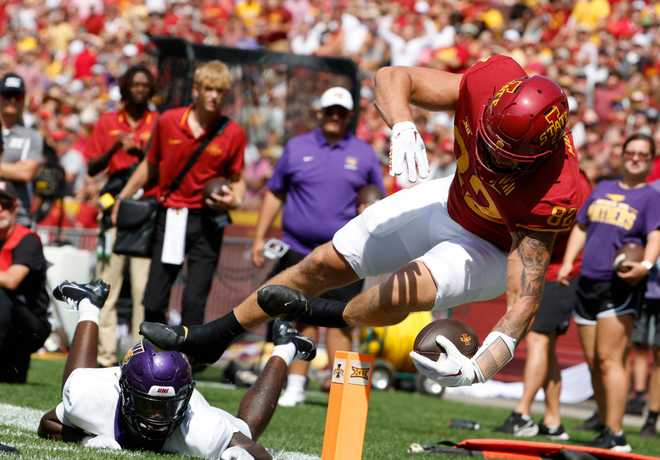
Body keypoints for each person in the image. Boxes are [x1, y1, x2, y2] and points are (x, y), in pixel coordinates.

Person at [140, 55, 590, 392]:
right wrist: (403, 125)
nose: (491, 156)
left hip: (490, 246)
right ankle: (213, 336)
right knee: (320, 264)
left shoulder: (556, 188)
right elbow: (394, 77)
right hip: (450, 197)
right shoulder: (491, 82)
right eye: (488, 144)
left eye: (503, 156)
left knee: (406, 289)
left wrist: (481, 367)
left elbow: (524, 301)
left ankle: (323, 313)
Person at [38, 280, 316, 459]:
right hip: (120, 386)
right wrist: (86, 440)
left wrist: (245, 456)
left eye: (165, 406)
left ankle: (285, 346)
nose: (158, 417)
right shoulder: (95, 397)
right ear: (124, 392)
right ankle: (88, 305)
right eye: (149, 406)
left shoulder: (200, 428)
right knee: (73, 388)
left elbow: (255, 451)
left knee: (244, 430)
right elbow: (47, 423)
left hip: (174, 395)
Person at [250, 86, 384, 407]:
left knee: (343, 319)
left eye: (341, 112)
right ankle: (295, 384)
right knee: (300, 319)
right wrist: (259, 237)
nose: (335, 117)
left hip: (345, 253)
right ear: (320, 112)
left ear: (349, 116)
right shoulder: (297, 147)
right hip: (298, 249)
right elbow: (275, 192)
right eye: (330, 111)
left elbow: (374, 199)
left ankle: (346, 393)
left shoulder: (364, 154)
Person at [116, 60, 246, 328]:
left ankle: (185, 362)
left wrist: (234, 199)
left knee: (194, 301)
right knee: (154, 298)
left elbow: (237, 178)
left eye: (220, 91)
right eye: (209, 88)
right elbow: (150, 165)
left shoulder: (233, 133)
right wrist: (122, 198)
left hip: (208, 220)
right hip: (172, 215)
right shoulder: (168, 121)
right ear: (196, 90)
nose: (214, 96)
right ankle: (151, 355)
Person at [557, 132, 660, 451]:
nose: (635, 158)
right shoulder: (603, 188)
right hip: (587, 281)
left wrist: (645, 264)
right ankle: (605, 422)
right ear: (622, 154)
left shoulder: (651, 197)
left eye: (643, 154)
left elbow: (655, 235)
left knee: (610, 359)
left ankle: (617, 434)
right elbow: (581, 226)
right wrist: (568, 262)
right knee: (593, 362)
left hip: (620, 285)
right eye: (631, 152)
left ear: (650, 160)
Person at [87, 64, 158, 367]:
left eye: (145, 84)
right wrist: (117, 144)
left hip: (145, 210)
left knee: (143, 287)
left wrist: (141, 149)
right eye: (135, 84)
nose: (139, 89)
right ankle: (104, 356)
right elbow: (92, 168)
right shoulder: (107, 121)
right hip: (113, 207)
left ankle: (137, 356)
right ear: (126, 87)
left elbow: (160, 164)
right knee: (108, 284)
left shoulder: (158, 121)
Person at [495, 228, 588, 440]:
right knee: (546, 347)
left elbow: (578, 229)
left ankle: (522, 413)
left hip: (559, 276)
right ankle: (552, 421)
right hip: (544, 274)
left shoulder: (576, 194)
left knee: (538, 339)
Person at [0, 179, 50, 382]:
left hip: (28, 326)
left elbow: (12, 281)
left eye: (5, 205)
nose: (0, 210)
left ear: (15, 207)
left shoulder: (27, 240)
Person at [0, 72, 44, 227]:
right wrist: (13, 168)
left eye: (17, 96)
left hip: (17, 217)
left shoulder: (32, 136)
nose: (12, 100)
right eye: (7, 95)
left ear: (23, 99)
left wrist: (19, 170)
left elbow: (26, 173)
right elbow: (19, 171)